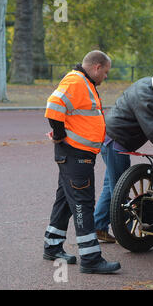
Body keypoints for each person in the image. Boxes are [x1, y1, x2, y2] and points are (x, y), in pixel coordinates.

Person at [43, 50, 121, 274]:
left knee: (66, 201)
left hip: (77, 154)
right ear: (97, 67)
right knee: (83, 203)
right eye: (105, 72)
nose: (106, 77)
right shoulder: (76, 81)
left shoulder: (83, 82)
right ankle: (90, 259)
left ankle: (52, 245)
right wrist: (58, 135)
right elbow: (53, 107)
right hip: (75, 154)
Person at [94, 74, 153, 242]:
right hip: (117, 141)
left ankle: (98, 227)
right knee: (120, 191)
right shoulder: (147, 98)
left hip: (113, 140)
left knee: (112, 185)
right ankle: (125, 233)